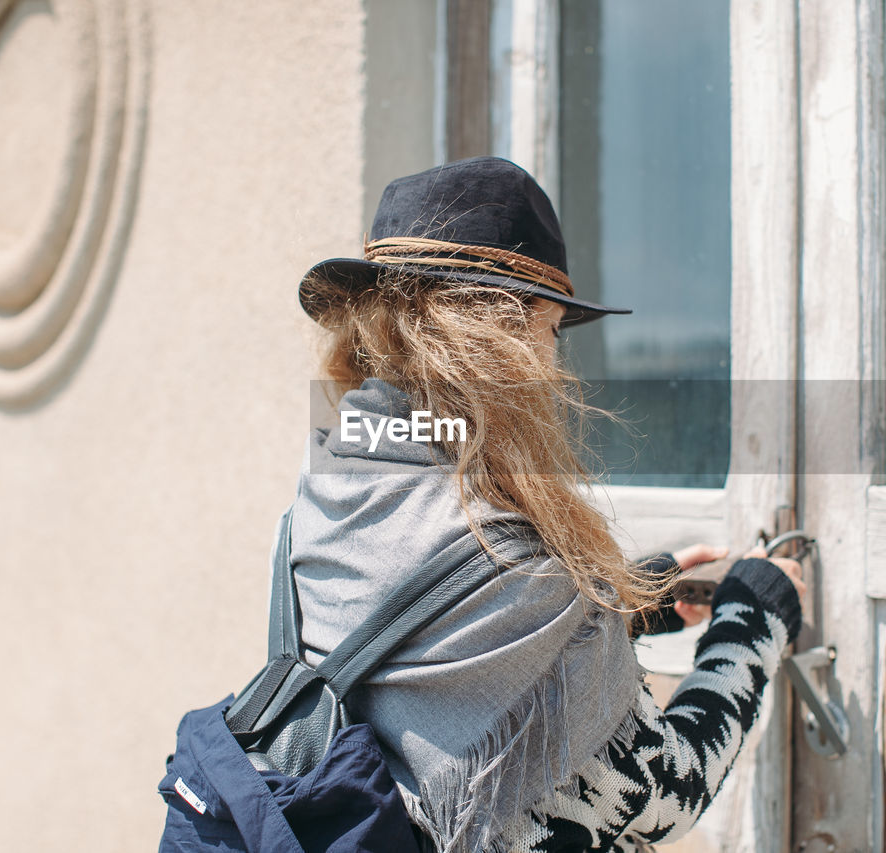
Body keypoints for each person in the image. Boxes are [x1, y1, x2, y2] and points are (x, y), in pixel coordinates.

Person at [291, 156, 804, 852]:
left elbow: (418, 645)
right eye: (553, 328)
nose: (557, 366)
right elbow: (660, 793)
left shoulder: (332, 483)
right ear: (498, 332)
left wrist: (619, 604)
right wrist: (753, 618)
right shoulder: (511, 564)